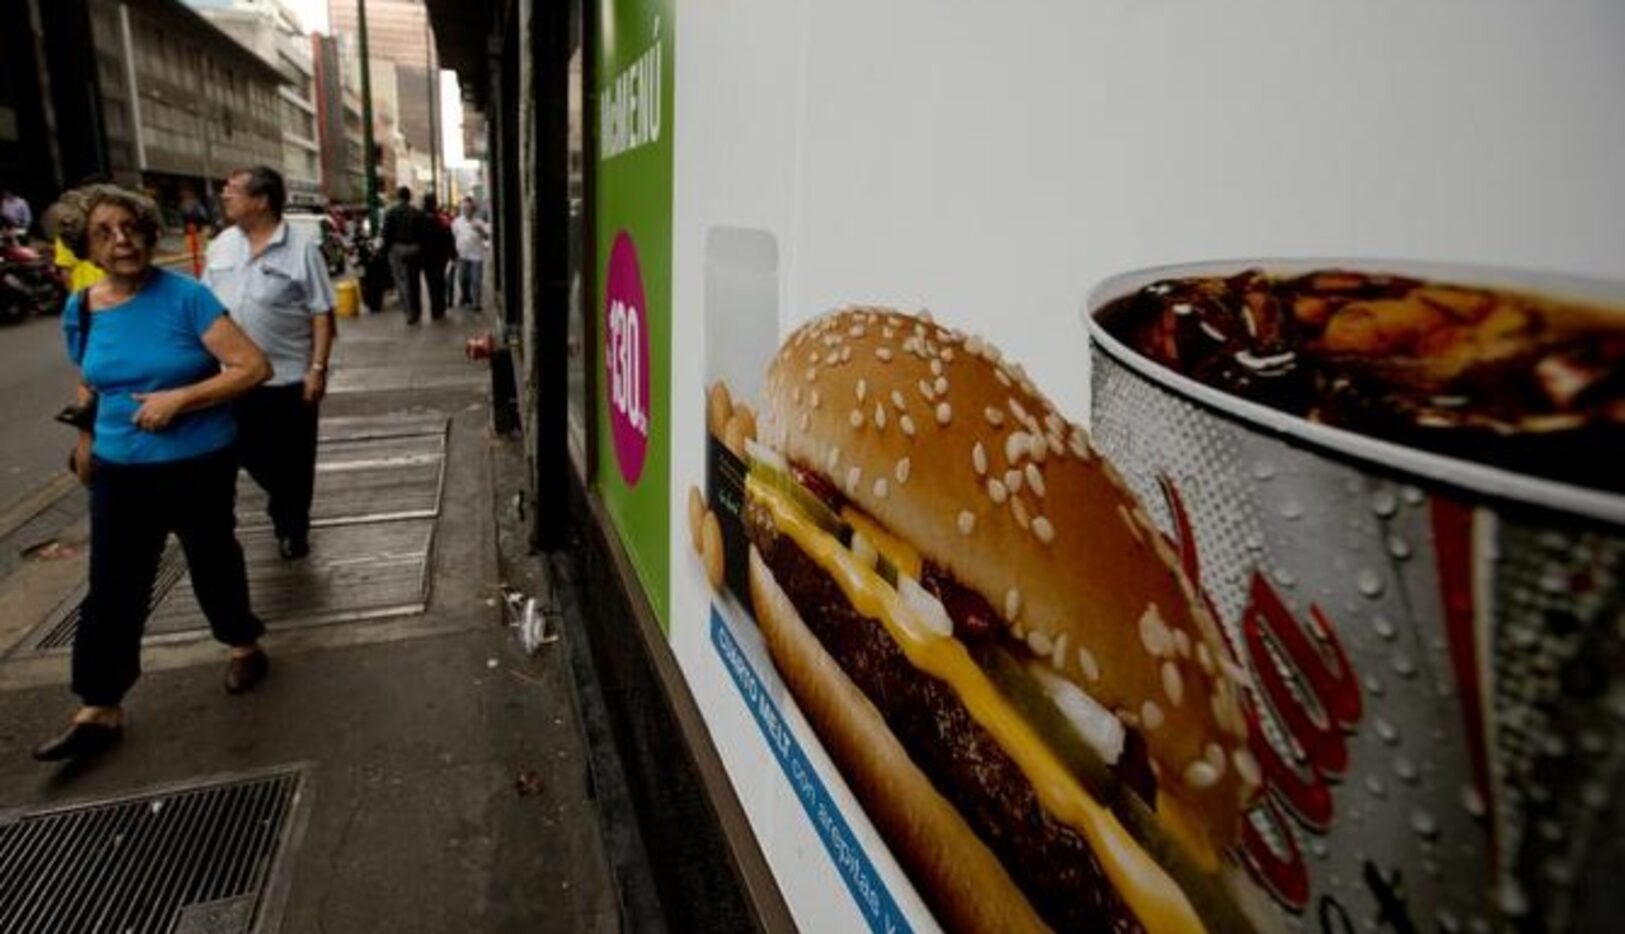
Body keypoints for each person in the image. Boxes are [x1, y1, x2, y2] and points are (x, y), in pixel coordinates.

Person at [33, 184, 273, 763]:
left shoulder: (186, 298)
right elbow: (91, 381)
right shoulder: (82, 309)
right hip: (120, 468)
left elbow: (252, 367)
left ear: (146, 229)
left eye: (131, 227)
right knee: (113, 584)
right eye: (105, 233)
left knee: (211, 560)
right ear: (85, 246)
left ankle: (243, 642)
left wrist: (179, 399)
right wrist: (87, 441)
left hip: (198, 463)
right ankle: (99, 705)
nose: (123, 241)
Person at [206, 166, 337, 561]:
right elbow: (203, 307)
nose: (225, 196)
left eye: (233, 190)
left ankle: (292, 527)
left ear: (261, 200)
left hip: (290, 378)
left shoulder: (300, 249)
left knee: (296, 459)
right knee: (248, 452)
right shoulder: (222, 244)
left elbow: (321, 313)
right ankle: (285, 500)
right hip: (235, 377)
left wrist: (318, 369)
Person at [379, 186, 423, 323]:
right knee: (414, 281)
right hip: (415, 249)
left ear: (398, 197)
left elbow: (386, 235)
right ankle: (417, 310)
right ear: (409, 197)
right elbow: (423, 234)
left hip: (397, 249)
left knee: (402, 282)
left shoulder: (391, 213)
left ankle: (409, 313)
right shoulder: (417, 213)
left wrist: (384, 251)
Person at [419, 194, 455, 321]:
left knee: (431, 283)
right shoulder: (442, 218)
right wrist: (453, 253)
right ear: (435, 203)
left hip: (426, 258)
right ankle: (441, 306)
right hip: (441, 257)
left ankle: (435, 308)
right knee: (440, 281)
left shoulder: (420, 218)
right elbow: (449, 237)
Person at [451, 197, 489, 309]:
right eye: (463, 208)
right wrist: (453, 255)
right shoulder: (457, 222)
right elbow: (454, 237)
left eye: (468, 208)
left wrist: (480, 230)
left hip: (476, 256)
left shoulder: (479, 222)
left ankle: (477, 303)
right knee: (463, 279)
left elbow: (487, 237)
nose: (465, 210)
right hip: (462, 255)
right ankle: (465, 297)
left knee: (476, 280)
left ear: (473, 209)